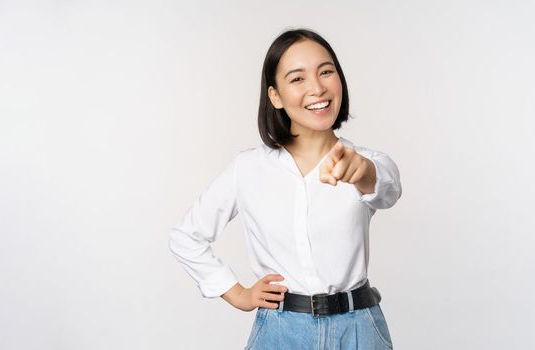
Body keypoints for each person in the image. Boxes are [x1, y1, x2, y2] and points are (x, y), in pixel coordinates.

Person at [169, 28, 403, 350]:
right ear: (275, 96)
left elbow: (387, 188)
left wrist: (363, 172)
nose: (317, 88)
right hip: (280, 332)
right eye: (297, 79)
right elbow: (186, 236)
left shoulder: (367, 161)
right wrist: (236, 293)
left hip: (359, 330)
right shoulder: (248, 168)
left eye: (326, 71)